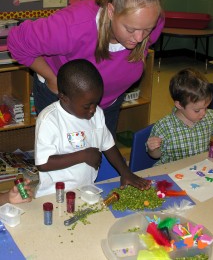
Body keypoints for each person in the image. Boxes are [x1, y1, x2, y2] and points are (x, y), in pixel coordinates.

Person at [7, 0, 164, 137]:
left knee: (97, 156)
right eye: (131, 29)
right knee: (64, 158)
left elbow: (147, 40)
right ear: (111, 11)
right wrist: (53, 78)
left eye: (147, 29)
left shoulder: (153, 19)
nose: (140, 38)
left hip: (108, 104)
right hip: (64, 101)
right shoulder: (72, 26)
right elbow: (16, 42)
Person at [34, 59, 151, 198]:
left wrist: (125, 172)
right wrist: (83, 155)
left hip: (85, 189)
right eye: (87, 106)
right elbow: (43, 163)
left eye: (96, 103)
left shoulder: (97, 114)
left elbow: (108, 144)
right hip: (54, 194)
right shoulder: (49, 120)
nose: (93, 110)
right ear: (64, 98)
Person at [147, 68, 213, 165]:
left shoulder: (208, 117)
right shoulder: (164, 126)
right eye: (197, 110)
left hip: (199, 171)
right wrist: (153, 148)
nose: (203, 113)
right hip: (173, 173)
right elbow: (156, 155)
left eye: (206, 107)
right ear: (179, 105)